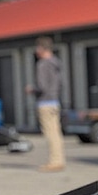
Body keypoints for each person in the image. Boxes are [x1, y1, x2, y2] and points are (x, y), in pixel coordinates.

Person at [26, 36, 65, 172]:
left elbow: (42, 87)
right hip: (55, 101)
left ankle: (54, 162)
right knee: (56, 133)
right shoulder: (56, 63)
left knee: (50, 133)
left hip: (45, 103)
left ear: (42, 48)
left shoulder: (42, 64)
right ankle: (59, 160)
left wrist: (32, 90)